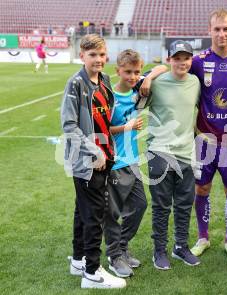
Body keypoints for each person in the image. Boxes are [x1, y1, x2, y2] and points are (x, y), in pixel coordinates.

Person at [139, 9, 227, 261]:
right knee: (201, 189)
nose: (221, 34)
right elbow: (171, 67)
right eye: (217, 29)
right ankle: (202, 237)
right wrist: (153, 73)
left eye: (226, 29)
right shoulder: (199, 61)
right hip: (203, 141)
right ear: (209, 31)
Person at [62, 34, 126, 289]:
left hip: (105, 157)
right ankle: (92, 272)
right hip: (87, 162)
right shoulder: (75, 84)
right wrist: (94, 151)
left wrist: (107, 150)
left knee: (83, 210)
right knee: (94, 216)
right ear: (82, 56)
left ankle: (78, 260)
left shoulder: (105, 80)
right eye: (92, 55)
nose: (98, 59)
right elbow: (69, 125)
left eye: (101, 54)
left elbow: (105, 120)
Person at [147, 40, 201, 270]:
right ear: (169, 59)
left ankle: (180, 247)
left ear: (191, 60)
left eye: (186, 58)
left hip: (186, 153)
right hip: (159, 151)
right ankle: (159, 250)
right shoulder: (157, 82)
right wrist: (150, 76)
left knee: (184, 204)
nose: (182, 62)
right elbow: (136, 99)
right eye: (177, 58)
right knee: (161, 206)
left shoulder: (196, 82)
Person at [104, 49, 147, 278]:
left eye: (136, 72)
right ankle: (114, 256)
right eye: (128, 71)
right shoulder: (110, 97)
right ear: (117, 70)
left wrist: (146, 78)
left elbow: (161, 69)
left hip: (133, 161)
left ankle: (121, 246)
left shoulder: (138, 91)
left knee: (140, 206)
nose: (132, 76)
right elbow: (103, 129)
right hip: (115, 163)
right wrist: (126, 127)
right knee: (113, 212)